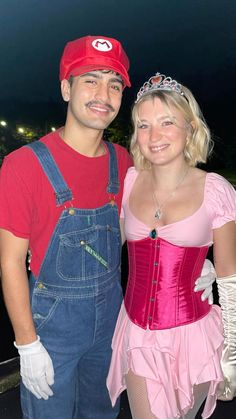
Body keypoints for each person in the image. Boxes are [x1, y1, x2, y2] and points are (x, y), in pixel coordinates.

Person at [0, 36, 214, 418]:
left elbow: (158, 220)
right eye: (91, 80)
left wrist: (200, 263)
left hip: (113, 324)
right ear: (66, 88)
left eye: (114, 84)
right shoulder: (22, 165)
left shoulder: (125, 162)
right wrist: (26, 344)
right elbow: (10, 262)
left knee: (103, 413)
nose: (104, 94)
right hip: (52, 332)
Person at [107, 72, 236, 419]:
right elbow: (103, 245)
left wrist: (233, 355)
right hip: (137, 334)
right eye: (144, 125)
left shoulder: (215, 190)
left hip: (193, 336)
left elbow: (231, 280)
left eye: (167, 122)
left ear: (191, 127)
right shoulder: (130, 180)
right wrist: (44, 244)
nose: (154, 135)